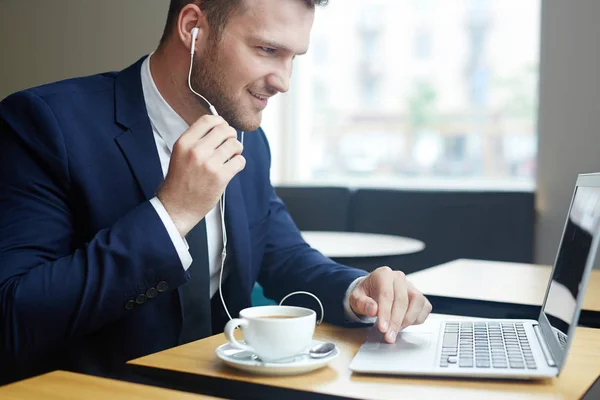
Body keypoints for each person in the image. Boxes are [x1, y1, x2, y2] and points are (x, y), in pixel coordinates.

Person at [0, 0, 432, 383]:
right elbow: (14, 314)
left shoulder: (247, 138)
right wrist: (171, 213)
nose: (283, 81)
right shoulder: (44, 124)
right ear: (193, 27)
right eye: (267, 50)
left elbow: (283, 255)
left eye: (293, 57)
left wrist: (357, 291)